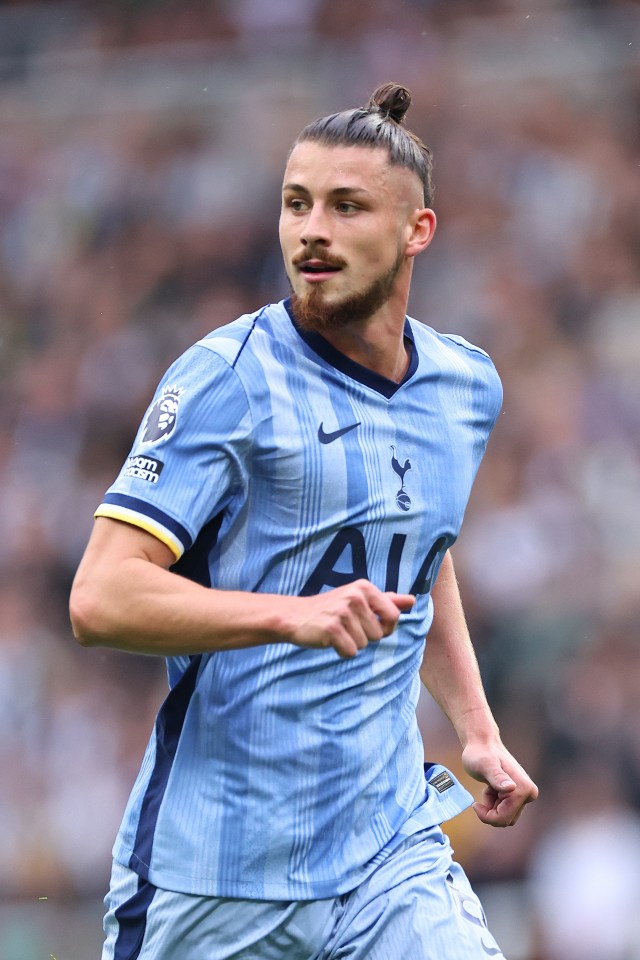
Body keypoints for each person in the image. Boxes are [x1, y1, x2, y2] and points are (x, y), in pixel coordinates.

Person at [70, 82, 538, 960]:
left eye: (346, 206)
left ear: (417, 231)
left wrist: (475, 729)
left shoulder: (467, 385)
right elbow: (100, 598)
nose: (310, 229)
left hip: (386, 854)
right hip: (216, 877)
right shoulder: (227, 379)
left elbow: (420, 547)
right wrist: (292, 615)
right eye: (296, 204)